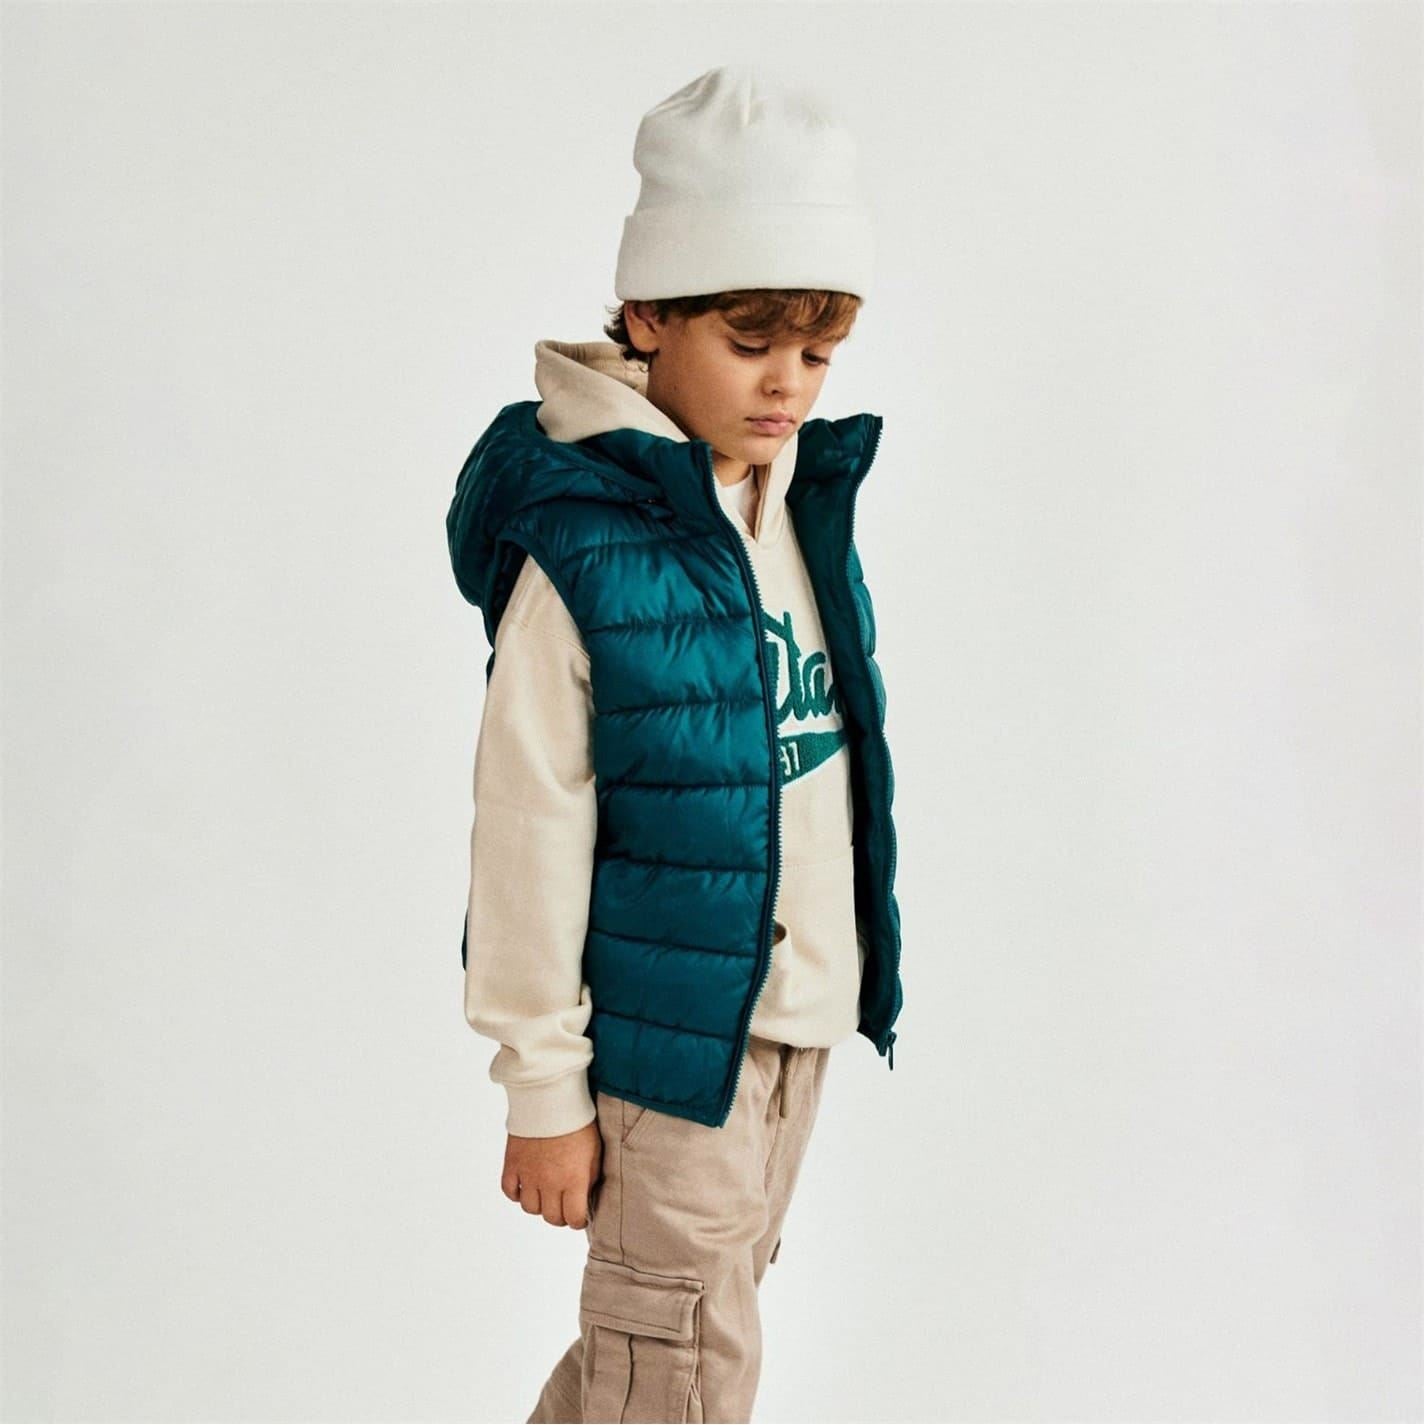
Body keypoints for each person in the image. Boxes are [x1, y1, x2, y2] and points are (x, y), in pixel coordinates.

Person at [447, 64, 904, 1424]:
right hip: (667, 1049)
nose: (787, 385)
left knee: (660, 1354)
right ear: (647, 314)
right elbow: (527, 827)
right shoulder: (586, 552)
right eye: (751, 342)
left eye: (817, 354)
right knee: (682, 1368)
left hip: (791, 1024)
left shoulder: (791, 504)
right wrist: (543, 1085)